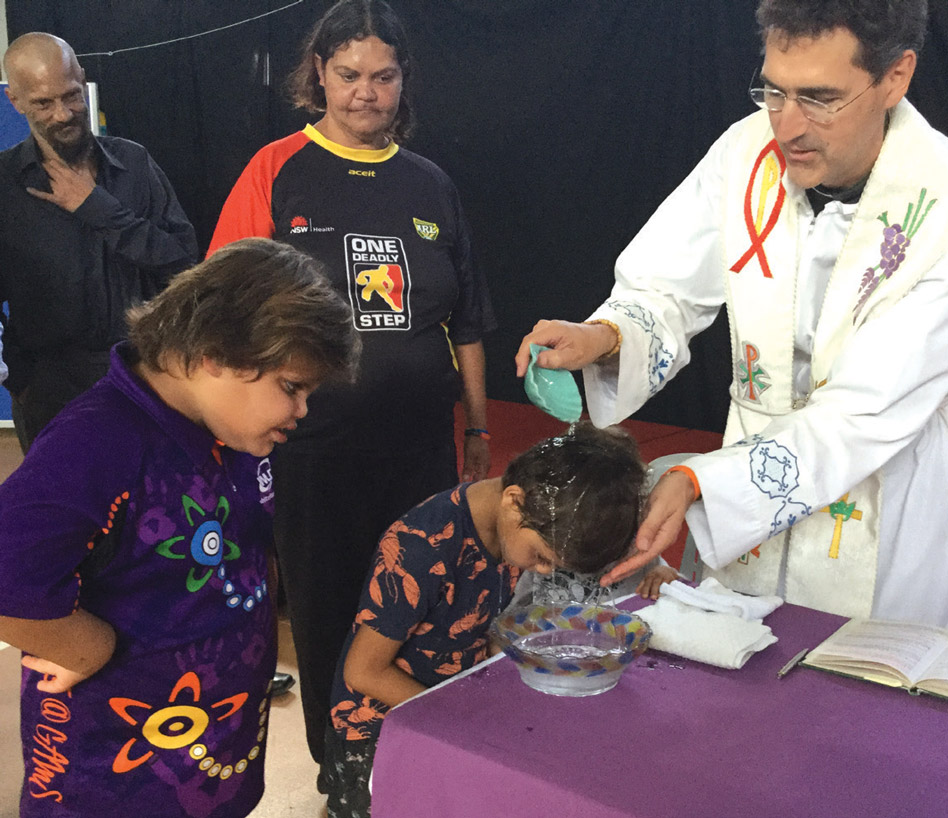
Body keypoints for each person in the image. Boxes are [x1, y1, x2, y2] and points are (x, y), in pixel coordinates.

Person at [516, 0, 948, 632]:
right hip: (746, 458)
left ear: (896, 77)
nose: (785, 127)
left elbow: (865, 411)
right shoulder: (746, 152)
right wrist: (604, 337)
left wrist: (701, 483)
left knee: (863, 702)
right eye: (774, 90)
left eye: (820, 98)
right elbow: (666, 286)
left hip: (890, 482)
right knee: (737, 671)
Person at [208, 0, 496, 768]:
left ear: (404, 81)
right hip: (312, 454)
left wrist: (476, 432)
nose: (366, 92)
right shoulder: (277, 170)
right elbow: (224, 312)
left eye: (383, 76)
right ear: (318, 76)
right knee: (334, 608)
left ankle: (417, 764)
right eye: (349, 75)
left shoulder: (431, 184)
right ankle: (341, 771)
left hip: (418, 455)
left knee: (423, 610)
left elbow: (467, 320)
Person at [0, 238, 360, 818]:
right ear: (213, 354)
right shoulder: (95, 443)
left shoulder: (234, 429)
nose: (302, 411)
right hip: (114, 778)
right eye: (291, 388)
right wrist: (84, 646)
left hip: (215, 758)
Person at [323, 422, 647, 818]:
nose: (543, 572)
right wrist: (455, 719)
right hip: (378, 728)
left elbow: (484, 620)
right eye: (542, 557)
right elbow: (363, 671)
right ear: (514, 501)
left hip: (450, 705)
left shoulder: (514, 532)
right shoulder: (421, 547)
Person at [0, 33, 197, 454]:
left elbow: (183, 262)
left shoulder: (135, 163)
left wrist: (97, 207)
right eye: (42, 103)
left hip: (138, 377)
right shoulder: (3, 184)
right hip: (46, 389)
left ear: (83, 80)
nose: (63, 113)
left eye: (71, 96)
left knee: (144, 512)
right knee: (64, 513)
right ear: (15, 101)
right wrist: (18, 376)